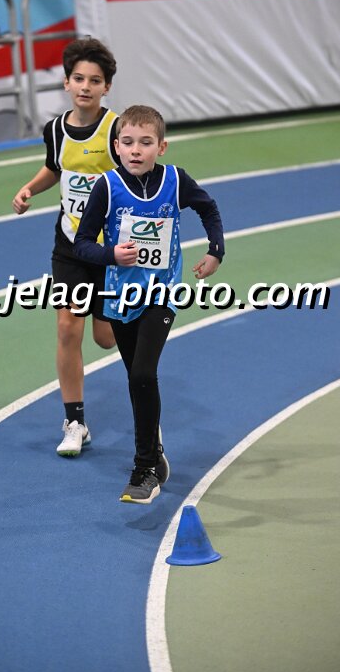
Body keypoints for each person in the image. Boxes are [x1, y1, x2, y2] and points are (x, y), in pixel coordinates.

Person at [74, 105, 225, 503]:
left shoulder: (176, 180)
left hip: (162, 292)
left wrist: (215, 250)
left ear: (161, 147)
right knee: (136, 379)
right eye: (127, 142)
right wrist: (111, 255)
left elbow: (208, 208)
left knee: (143, 372)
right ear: (116, 147)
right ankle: (155, 455)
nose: (136, 150)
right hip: (121, 295)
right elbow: (82, 244)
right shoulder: (107, 187)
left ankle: (144, 470)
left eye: (145, 142)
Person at [12, 37, 119, 457]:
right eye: (78, 78)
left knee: (106, 338)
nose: (85, 87)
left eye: (94, 80)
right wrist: (29, 189)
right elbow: (56, 168)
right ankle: (75, 421)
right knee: (67, 326)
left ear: (107, 87)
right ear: (66, 82)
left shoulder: (117, 131)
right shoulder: (56, 130)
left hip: (112, 251)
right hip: (71, 245)